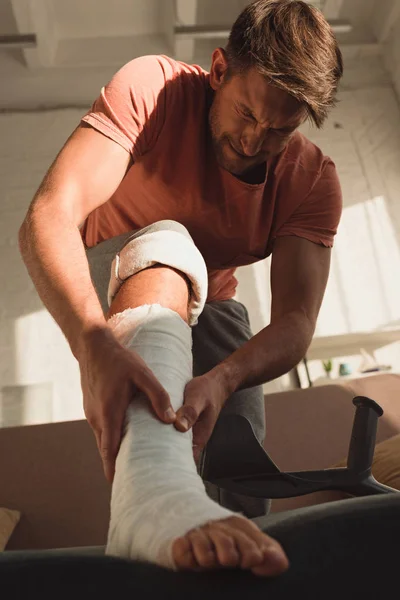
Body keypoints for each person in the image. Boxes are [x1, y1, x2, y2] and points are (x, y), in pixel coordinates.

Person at [18, 0, 343, 577]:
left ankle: (181, 532)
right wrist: (94, 346)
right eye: (246, 113)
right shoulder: (154, 88)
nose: (253, 141)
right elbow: (47, 215)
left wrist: (222, 380)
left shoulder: (311, 179)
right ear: (218, 70)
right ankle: (153, 499)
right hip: (112, 259)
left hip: (211, 298)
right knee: (170, 242)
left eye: (280, 131)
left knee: (241, 473)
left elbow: (296, 321)